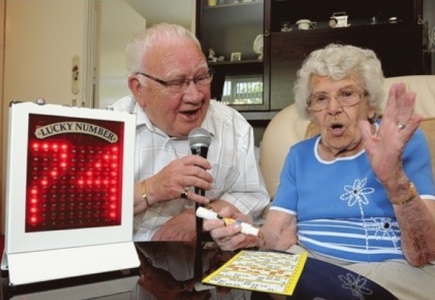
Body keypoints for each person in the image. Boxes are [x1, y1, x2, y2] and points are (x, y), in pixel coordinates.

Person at [204, 44, 435, 299]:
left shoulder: (403, 144)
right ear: (311, 111)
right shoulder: (299, 156)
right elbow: (278, 237)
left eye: (347, 94)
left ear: (370, 105)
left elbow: (423, 253)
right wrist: (246, 232)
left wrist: (394, 180)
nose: (333, 108)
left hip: (392, 269)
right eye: (321, 98)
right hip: (310, 265)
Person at [108, 23, 269, 242]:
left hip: (204, 257)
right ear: (138, 89)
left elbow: (251, 195)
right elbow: (83, 209)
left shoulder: (233, 126)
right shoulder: (109, 129)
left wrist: (197, 217)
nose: (195, 96)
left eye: (201, 77)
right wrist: (152, 189)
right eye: (176, 82)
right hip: (123, 258)